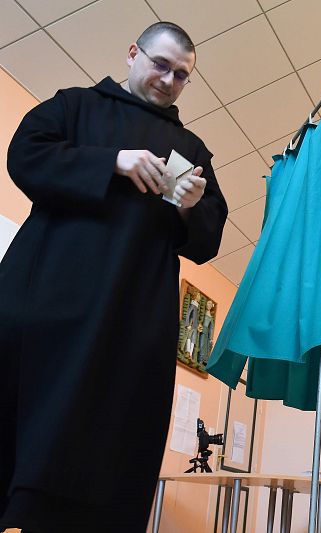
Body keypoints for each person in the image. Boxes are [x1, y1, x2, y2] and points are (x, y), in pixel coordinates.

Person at [0, 21, 227, 532]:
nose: (168, 80)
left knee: (100, 458)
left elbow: (208, 237)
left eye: (181, 75)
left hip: (127, 331)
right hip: (43, 308)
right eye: (160, 64)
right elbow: (25, 155)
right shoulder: (75, 106)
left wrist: (189, 207)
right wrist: (112, 162)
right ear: (132, 54)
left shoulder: (192, 152)